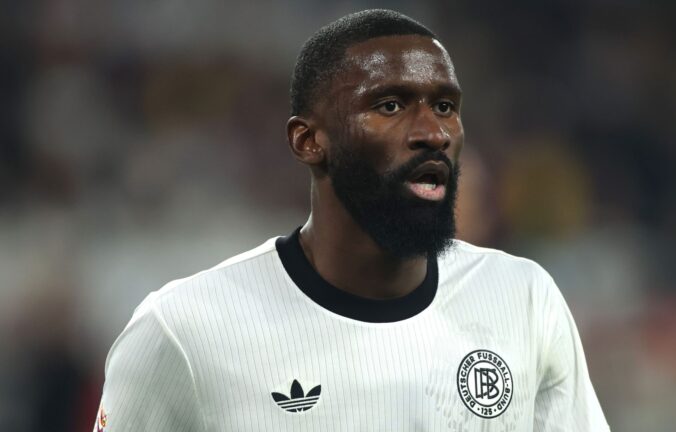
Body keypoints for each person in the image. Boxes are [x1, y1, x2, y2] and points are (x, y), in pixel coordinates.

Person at [94, 9, 609, 431]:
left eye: (445, 106)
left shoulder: (524, 299)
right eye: (391, 105)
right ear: (308, 141)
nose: (433, 133)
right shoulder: (183, 331)